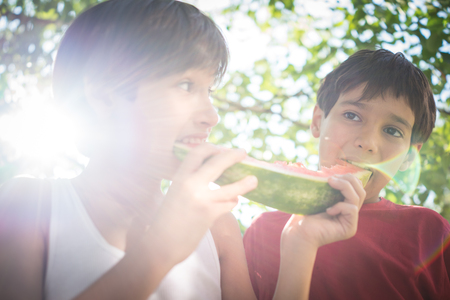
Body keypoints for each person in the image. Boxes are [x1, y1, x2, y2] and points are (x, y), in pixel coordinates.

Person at [0, 1, 366, 299]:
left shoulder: (219, 225)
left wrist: (300, 245)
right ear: (104, 95)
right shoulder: (30, 204)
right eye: (186, 84)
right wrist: (159, 249)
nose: (211, 116)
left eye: (210, 91)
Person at [243, 49, 450, 300]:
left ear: (409, 156)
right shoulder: (263, 232)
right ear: (318, 120)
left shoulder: (429, 232)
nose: (367, 142)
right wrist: (300, 241)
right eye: (352, 115)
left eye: (392, 131)